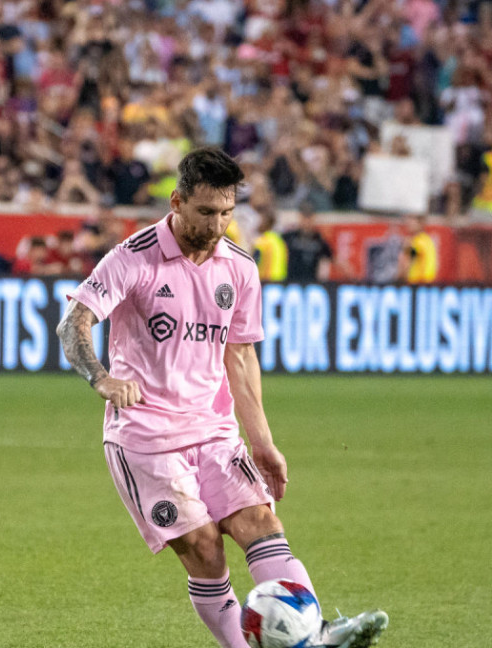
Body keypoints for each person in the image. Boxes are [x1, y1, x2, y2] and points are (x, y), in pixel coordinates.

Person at [56, 148, 388, 648]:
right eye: (206, 212)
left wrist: (263, 442)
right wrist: (101, 379)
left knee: (261, 520)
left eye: (227, 213)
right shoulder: (133, 256)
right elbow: (72, 323)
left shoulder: (238, 267)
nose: (217, 225)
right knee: (207, 551)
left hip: (214, 431)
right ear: (177, 201)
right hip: (146, 438)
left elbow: (240, 358)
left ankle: (314, 636)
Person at [283, 202, 337, 283]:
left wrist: (353, 279)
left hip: (311, 284)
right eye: (304, 217)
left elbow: (334, 258)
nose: (306, 222)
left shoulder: (319, 240)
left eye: (309, 217)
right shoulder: (289, 237)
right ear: (300, 218)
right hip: (291, 283)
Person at [398, 213, 438, 284]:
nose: (408, 223)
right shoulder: (427, 240)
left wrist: (406, 248)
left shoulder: (418, 241)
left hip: (417, 284)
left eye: (411, 220)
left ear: (420, 223)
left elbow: (406, 261)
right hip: (427, 285)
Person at [251, 206, 287, 282]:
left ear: (264, 222)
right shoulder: (279, 240)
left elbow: (254, 261)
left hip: (265, 281)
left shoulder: (262, 241)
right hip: (280, 281)